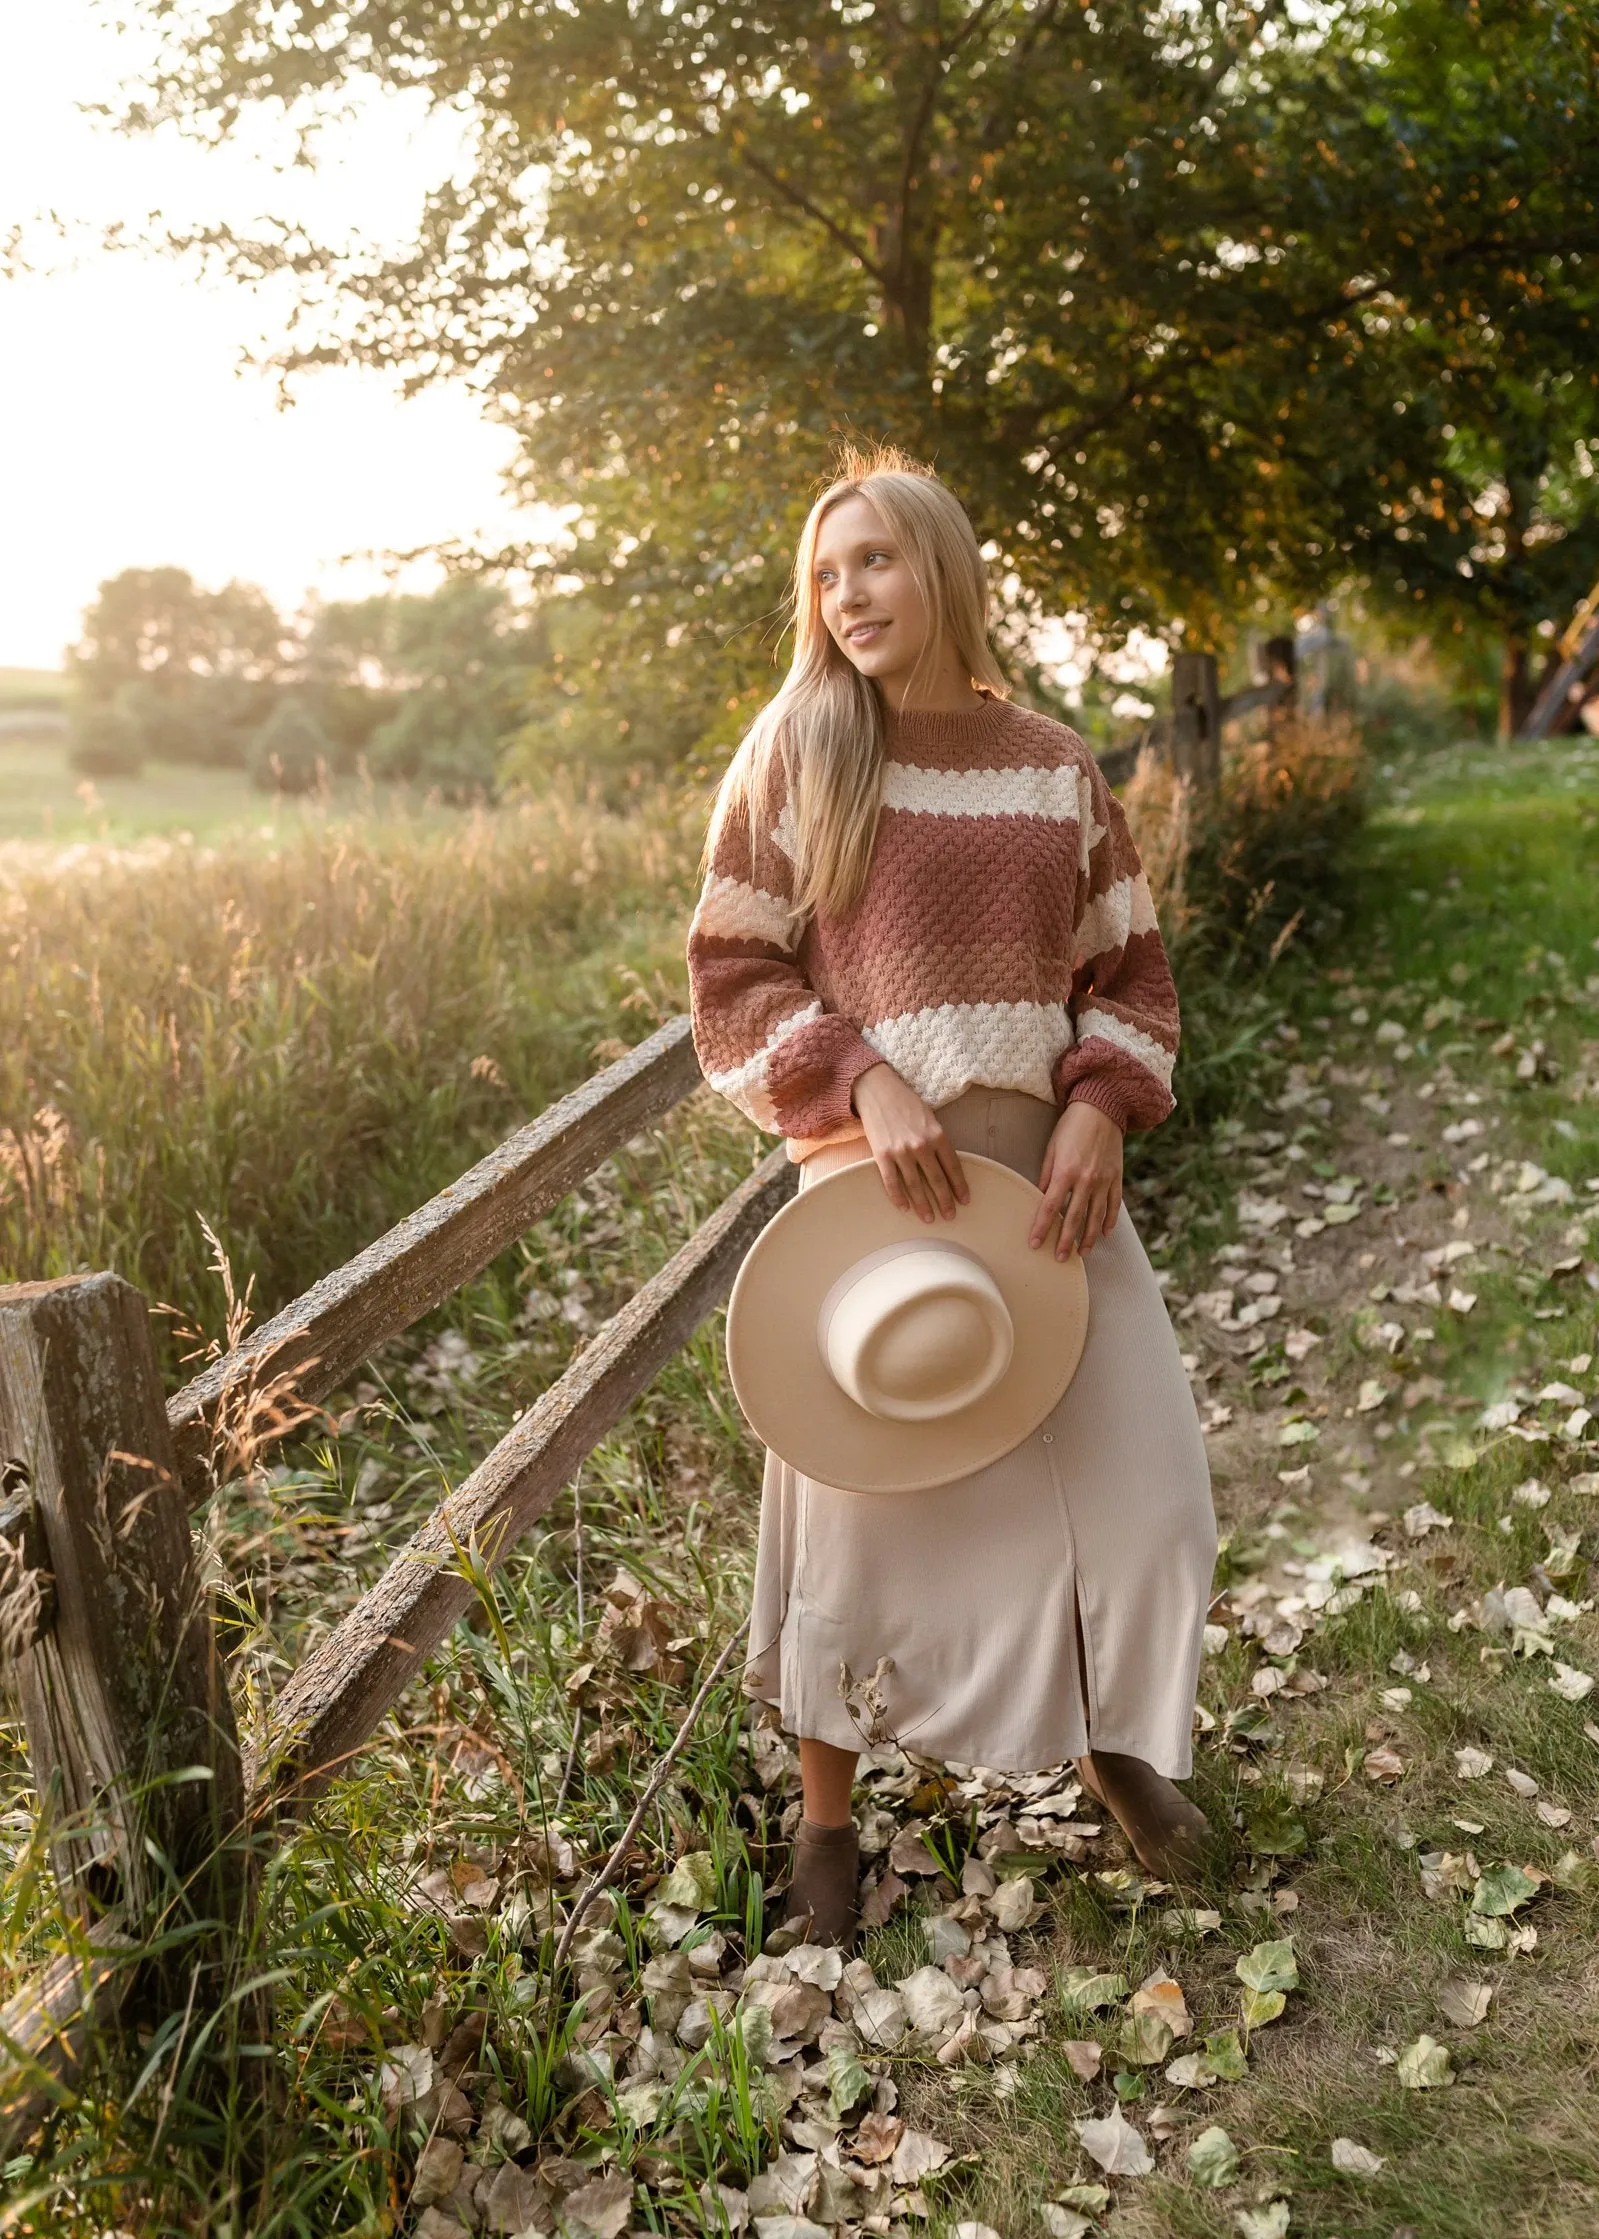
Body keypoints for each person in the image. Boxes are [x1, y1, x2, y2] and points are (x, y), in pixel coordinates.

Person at [687, 448, 1218, 1944]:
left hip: (1047, 1185)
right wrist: (858, 1078)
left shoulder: (1050, 760)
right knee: (859, 1513)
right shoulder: (798, 751)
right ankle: (826, 1827)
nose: (847, 593)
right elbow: (732, 971)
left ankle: (1118, 1752)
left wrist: (1101, 1106)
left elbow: (1130, 971)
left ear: (941, 569)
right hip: (876, 1193)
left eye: (875, 561)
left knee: (1148, 1493)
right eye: (826, 571)